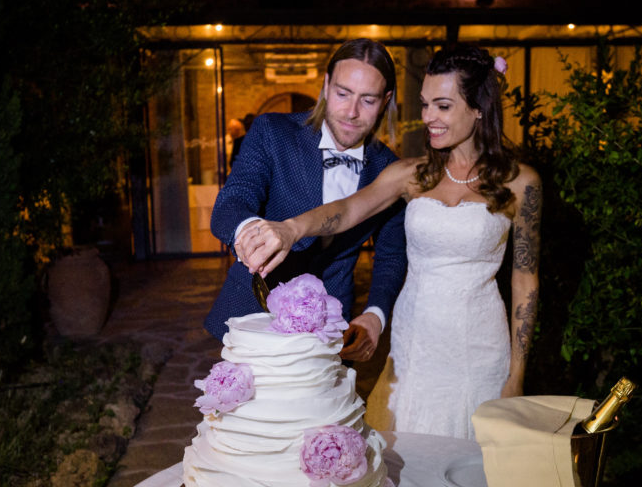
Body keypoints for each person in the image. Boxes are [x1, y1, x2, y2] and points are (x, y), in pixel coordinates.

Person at [238, 45, 541, 440]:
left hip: (481, 341)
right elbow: (346, 211)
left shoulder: (522, 183)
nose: (428, 117)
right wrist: (291, 228)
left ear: (479, 108)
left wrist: (517, 373)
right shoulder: (409, 174)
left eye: (443, 106)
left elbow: (525, 282)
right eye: (425, 104)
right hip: (415, 340)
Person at [204, 39, 407, 362]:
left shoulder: (390, 170)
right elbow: (231, 203)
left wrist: (376, 314)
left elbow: (392, 256)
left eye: (367, 100)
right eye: (342, 94)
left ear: (386, 101)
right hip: (255, 311)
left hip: (332, 324)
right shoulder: (272, 131)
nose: (351, 113)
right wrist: (254, 232)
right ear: (326, 86)